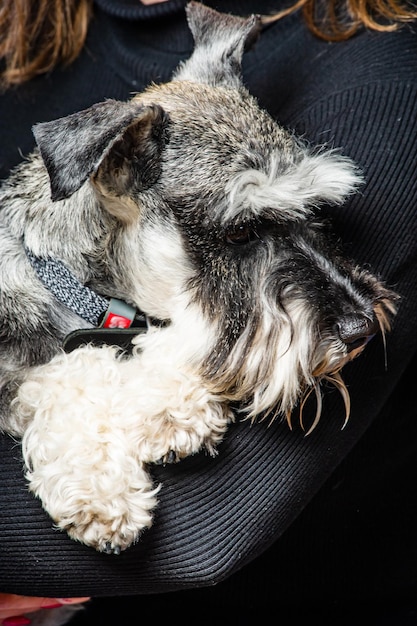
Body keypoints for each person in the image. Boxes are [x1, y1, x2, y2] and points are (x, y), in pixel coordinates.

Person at [0, 0, 416, 624]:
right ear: (111, 175)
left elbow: (202, 533)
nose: (358, 320)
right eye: (241, 237)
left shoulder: (375, 74)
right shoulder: (26, 31)